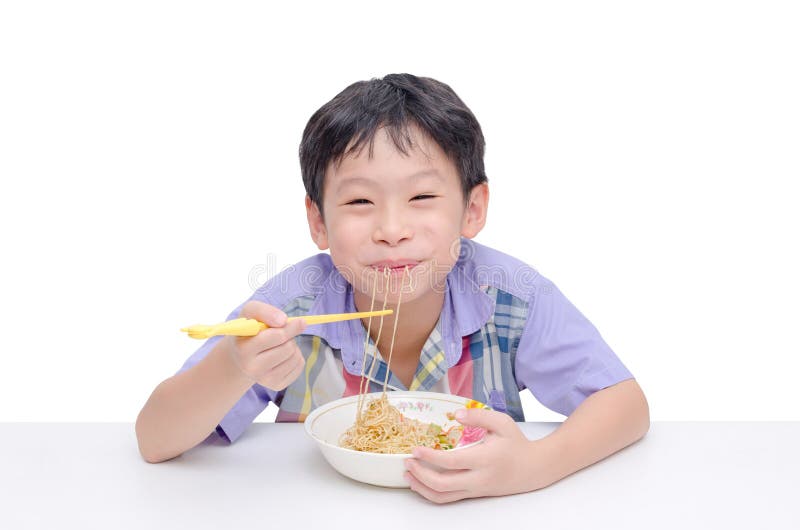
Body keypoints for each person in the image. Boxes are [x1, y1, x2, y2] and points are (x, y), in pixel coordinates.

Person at [135, 73, 650, 503]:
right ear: (318, 221)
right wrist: (234, 366)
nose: (391, 228)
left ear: (472, 209)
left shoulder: (511, 296)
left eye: (422, 195)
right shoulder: (290, 305)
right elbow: (155, 440)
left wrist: (532, 467)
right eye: (360, 202)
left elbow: (626, 406)